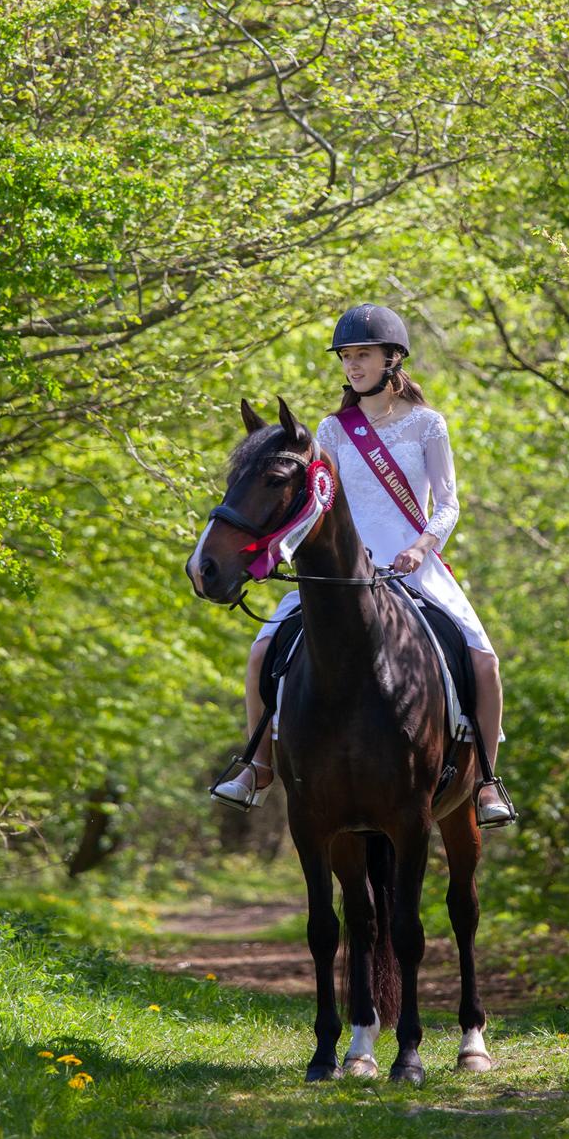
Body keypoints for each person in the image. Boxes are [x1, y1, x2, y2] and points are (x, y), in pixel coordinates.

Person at [213, 303, 516, 829]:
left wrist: (422, 546)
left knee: (484, 660)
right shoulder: (332, 429)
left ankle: (486, 781)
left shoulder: (427, 425)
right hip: (343, 569)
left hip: (411, 564)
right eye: (347, 357)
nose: (353, 367)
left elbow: (448, 502)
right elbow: (317, 504)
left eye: (363, 356)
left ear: (393, 360)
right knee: (263, 650)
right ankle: (257, 765)